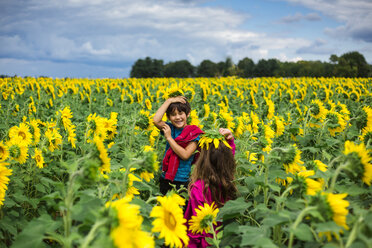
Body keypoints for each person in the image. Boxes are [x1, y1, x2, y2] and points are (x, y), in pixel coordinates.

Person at [184, 128, 237, 248]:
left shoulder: (198, 188)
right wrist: (230, 142)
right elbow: (226, 158)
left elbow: (196, 225)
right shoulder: (227, 181)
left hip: (205, 242)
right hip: (221, 238)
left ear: (202, 159)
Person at [153, 95, 204, 196]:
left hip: (181, 181)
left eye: (180, 113)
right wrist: (169, 101)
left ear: (187, 114)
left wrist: (169, 138)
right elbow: (156, 120)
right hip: (165, 177)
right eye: (173, 114)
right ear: (168, 117)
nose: (177, 117)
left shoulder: (193, 133)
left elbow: (185, 155)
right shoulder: (170, 128)